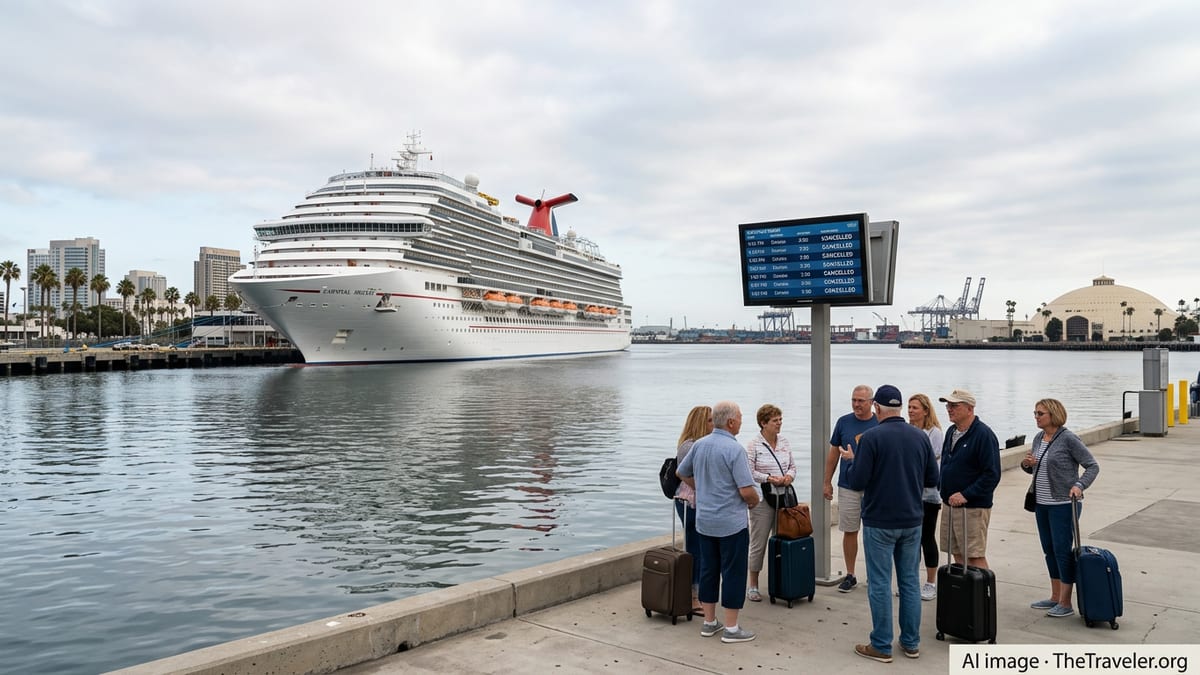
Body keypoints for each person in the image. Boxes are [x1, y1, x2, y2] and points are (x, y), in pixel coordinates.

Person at [842, 384, 939, 663]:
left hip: (879, 520)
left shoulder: (871, 438)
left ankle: (882, 645)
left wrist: (851, 462)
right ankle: (911, 643)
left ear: (877, 408)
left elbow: (858, 481)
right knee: (909, 581)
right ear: (899, 408)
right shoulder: (920, 437)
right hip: (912, 519)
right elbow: (932, 479)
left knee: (880, 583)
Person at [676, 401, 759, 644]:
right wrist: (754, 501)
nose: (742, 421)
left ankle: (709, 622)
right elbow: (746, 490)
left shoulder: (699, 445)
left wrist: (702, 488)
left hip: (705, 520)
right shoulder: (735, 450)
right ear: (731, 422)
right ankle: (732, 628)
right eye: (741, 417)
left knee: (708, 570)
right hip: (730, 523)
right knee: (733, 572)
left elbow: (681, 471)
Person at [1021, 398, 1100, 618]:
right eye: (1035, 413)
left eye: (1040, 414)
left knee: (1062, 551)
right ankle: (1055, 596)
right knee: (1049, 550)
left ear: (1053, 415)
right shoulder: (1038, 438)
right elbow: (1037, 467)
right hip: (1041, 504)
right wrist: (1028, 464)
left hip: (1063, 505)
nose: (1036, 417)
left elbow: (1092, 466)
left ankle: (1066, 602)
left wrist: (1079, 485)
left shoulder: (1068, 439)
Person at [937, 389, 1001, 569]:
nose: (949, 409)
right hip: (949, 503)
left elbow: (992, 474)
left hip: (972, 507)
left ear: (969, 408)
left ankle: (983, 595)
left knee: (974, 555)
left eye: (955, 405)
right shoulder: (951, 431)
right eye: (948, 405)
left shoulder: (983, 435)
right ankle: (966, 594)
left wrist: (966, 494)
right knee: (957, 552)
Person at [823, 384, 878, 592]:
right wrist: (827, 482)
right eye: (854, 400)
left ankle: (875, 575)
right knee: (850, 530)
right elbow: (833, 454)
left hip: (874, 487)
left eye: (861, 401)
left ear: (872, 403)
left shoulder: (879, 423)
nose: (856, 404)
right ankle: (850, 574)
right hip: (848, 486)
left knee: (874, 532)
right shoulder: (843, 422)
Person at [743, 403, 796, 603]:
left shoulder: (784, 442)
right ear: (763, 423)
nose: (779, 424)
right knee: (758, 542)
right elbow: (748, 472)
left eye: (780, 420)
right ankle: (753, 585)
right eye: (775, 421)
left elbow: (792, 465)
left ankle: (781, 581)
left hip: (783, 498)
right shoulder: (753, 445)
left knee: (783, 540)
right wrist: (768, 478)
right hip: (763, 500)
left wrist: (789, 477)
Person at [673, 405, 714, 609]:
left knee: (702, 548)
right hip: (690, 503)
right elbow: (683, 473)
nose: (713, 424)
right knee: (695, 548)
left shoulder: (701, 444)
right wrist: (704, 488)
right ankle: (692, 594)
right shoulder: (690, 446)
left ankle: (697, 591)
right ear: (700, 423)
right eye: (709, 420)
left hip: (699, 502)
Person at [908, 393, 945, 601]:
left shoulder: (934, 433)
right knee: (910, 540)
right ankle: (910, 581)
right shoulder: (908, 430)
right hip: (909, 494)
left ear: (925, 410)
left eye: (915, 407)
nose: (911, 411)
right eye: (910, 407)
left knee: (927, 537)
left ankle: (931, 583)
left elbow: (930, 461)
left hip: (929, 495)